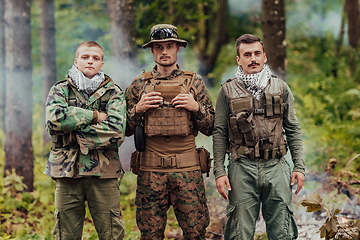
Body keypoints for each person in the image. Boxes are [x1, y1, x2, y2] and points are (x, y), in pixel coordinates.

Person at [125, 24, 214, 240]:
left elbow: (211, 127)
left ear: (177, 49)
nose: (165, 51)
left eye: (170, 46)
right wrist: (138, 109)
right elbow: (124, 129)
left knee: (195, 233)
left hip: (188, 170)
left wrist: (196, 108)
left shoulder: (194, 82)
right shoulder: (139, 85)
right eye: (159, 47)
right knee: (150, 235)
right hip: (150, 171)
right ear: (152, 51)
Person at [213, 34, 306, 240]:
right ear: (239, 60)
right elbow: (219, 133)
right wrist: (219, 171)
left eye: (257, 53)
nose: (252, 58)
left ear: (264, 56)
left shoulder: (280, 87)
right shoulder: (226, 91)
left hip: (277, 167)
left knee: (282, 231)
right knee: (239, 233)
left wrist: (299, 166)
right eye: (247, 54)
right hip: (241, 168)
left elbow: (292, 128)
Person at [44, 41, 126, 240]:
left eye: (96, 58)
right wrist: (95, 116)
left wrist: (73, 132)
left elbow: (116, 130)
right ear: (76, 61)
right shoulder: (60, 90)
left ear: (101, 64)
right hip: (67, 171)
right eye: (85, 57)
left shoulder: (114, 92)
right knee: (65, 234)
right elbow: (54, 120)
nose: (90, 61)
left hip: (104, 173)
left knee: (112, 234)